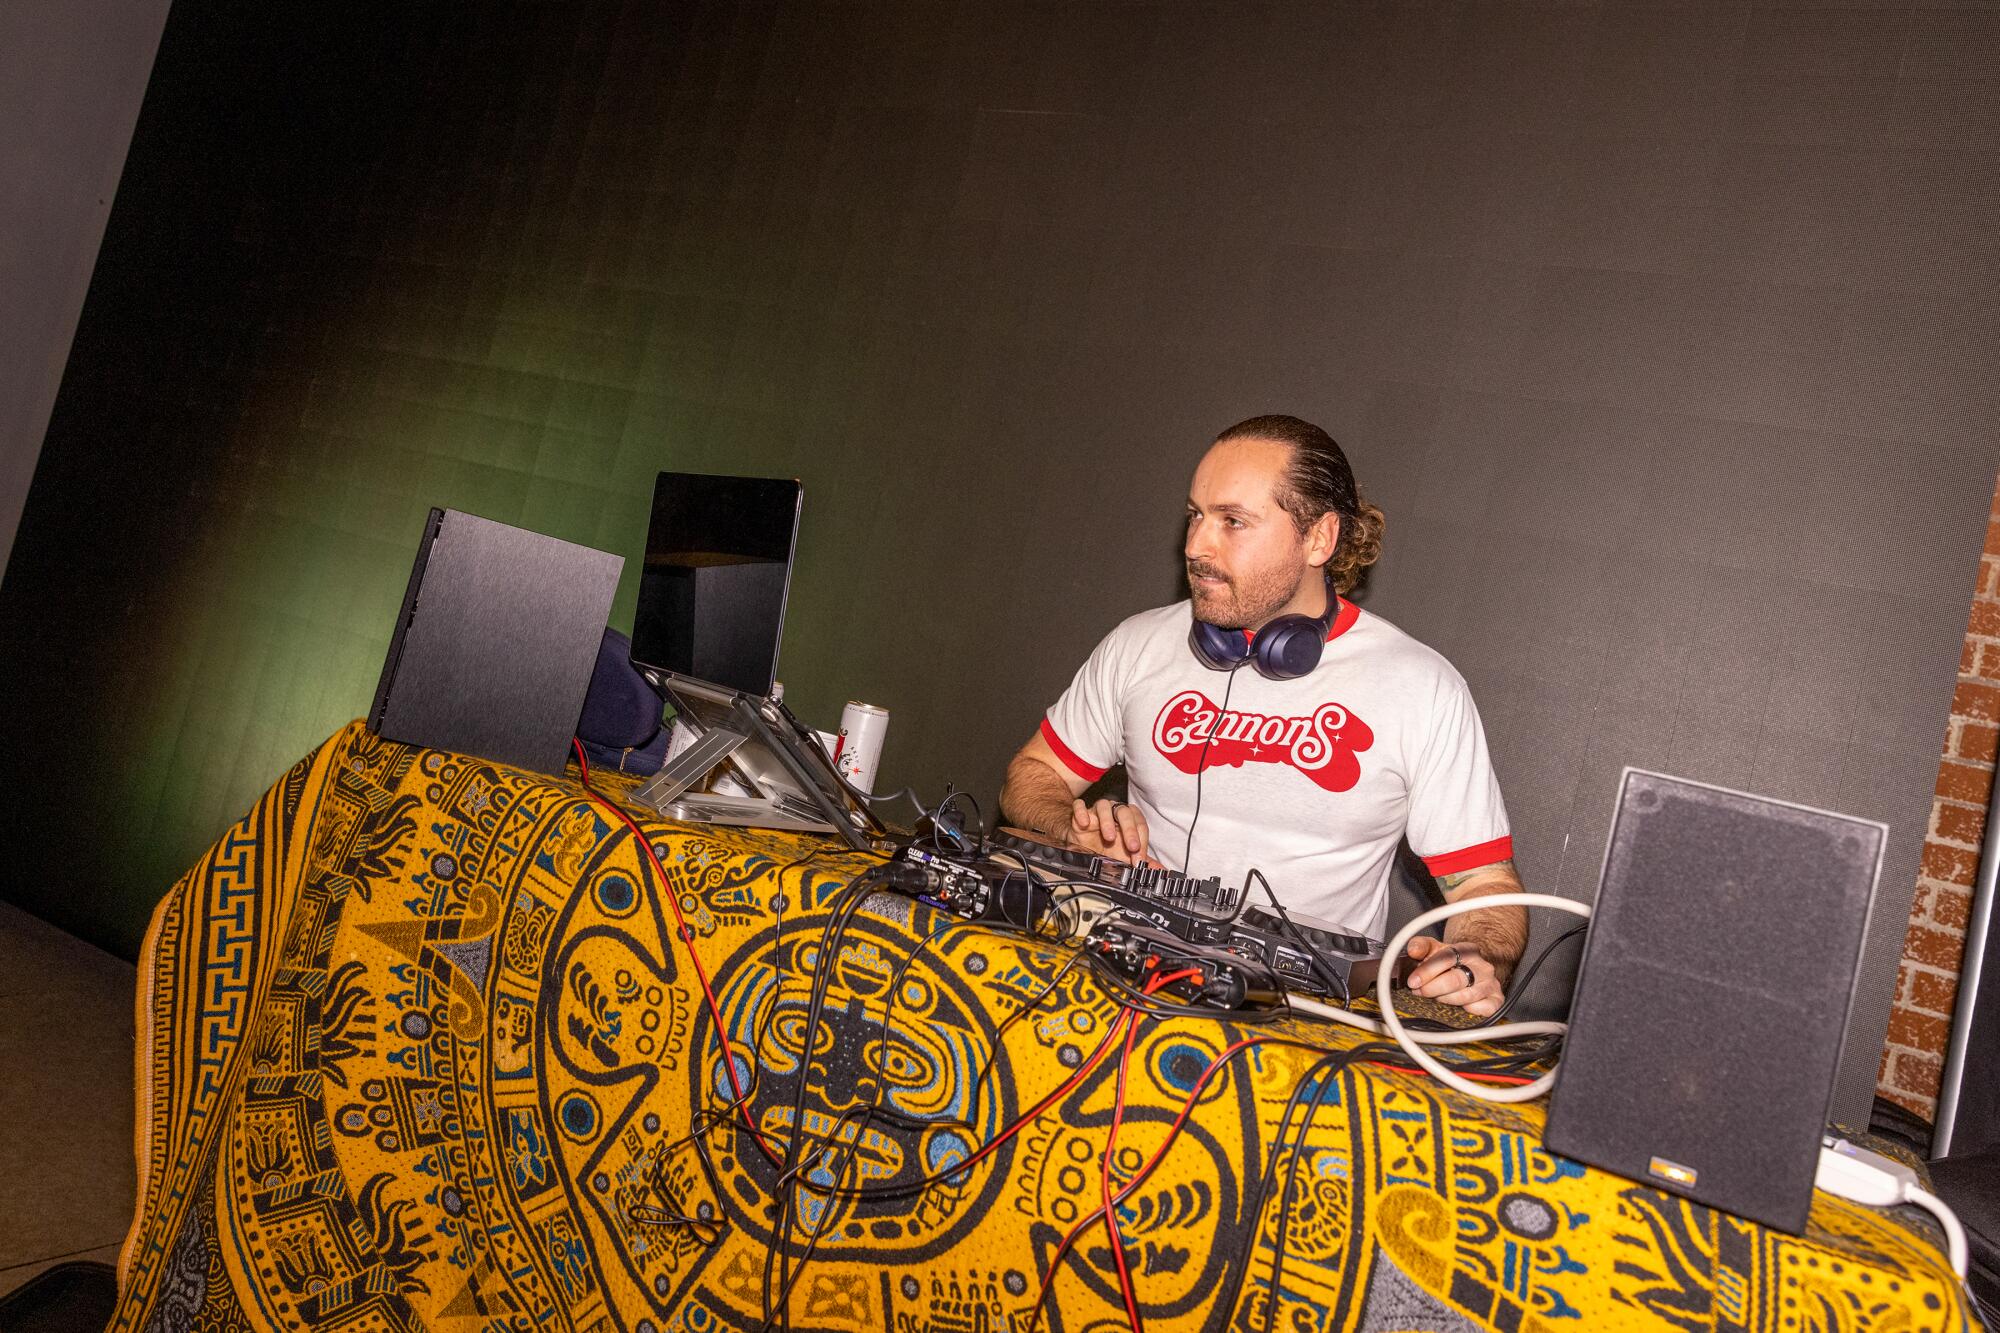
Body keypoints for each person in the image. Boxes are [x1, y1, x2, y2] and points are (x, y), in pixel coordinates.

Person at [998, 414, 1527, 1017]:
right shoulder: (1138, 644)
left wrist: (1475, 955)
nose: (1196, 545)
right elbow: (1032, 777)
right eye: (1196, 515)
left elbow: (1485, 888)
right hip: (1115, 979)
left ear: (1319, 539)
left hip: (1298, 1020)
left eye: (1233, 522)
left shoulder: (1421, 686)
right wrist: (1069, 826)